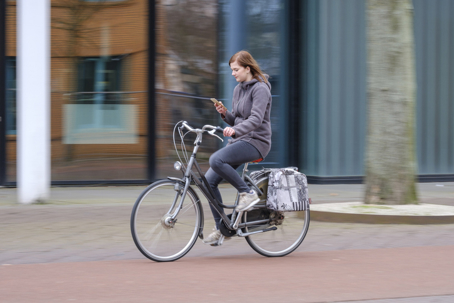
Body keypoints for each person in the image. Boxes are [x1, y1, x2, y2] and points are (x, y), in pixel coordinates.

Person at [203, 50, 272, 245]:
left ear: (247, 68)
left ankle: (248, 193)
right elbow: (237, 119)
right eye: (232, 70)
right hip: (240, 140)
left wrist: (235, 131)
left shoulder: (261, 89)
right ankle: (222, 228)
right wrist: (225, 114)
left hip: (256, 142)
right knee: (208, 183)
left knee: (216, 159)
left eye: (236, 70)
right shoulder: (238, 89)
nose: (233, 73)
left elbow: (256, 120)